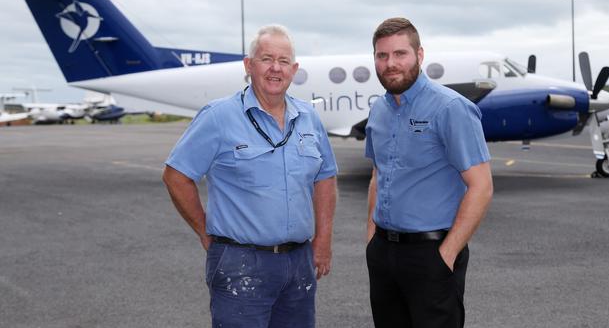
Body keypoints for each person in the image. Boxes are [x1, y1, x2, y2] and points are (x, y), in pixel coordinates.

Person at [162, 24, 337, 328]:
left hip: (299, 263)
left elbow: (326, 177)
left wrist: (322, 240)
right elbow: (176, 175)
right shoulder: (219, 116)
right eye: (266, 59)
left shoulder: (308, 117)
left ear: (293, 70)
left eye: (283, 62)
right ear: (248, 65)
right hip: (240, 262)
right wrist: (206, 233)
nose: (275, 68)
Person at [365, 17, 493, 328]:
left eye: (400, 54)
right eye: (382, 56)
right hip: (384, 254)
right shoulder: (378, 110)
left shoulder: (450, 108)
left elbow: (481, 186)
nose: (390, 63)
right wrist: (372, 241)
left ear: (419, 55)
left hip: (431, 253)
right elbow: (377, 175)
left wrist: (446, 255)